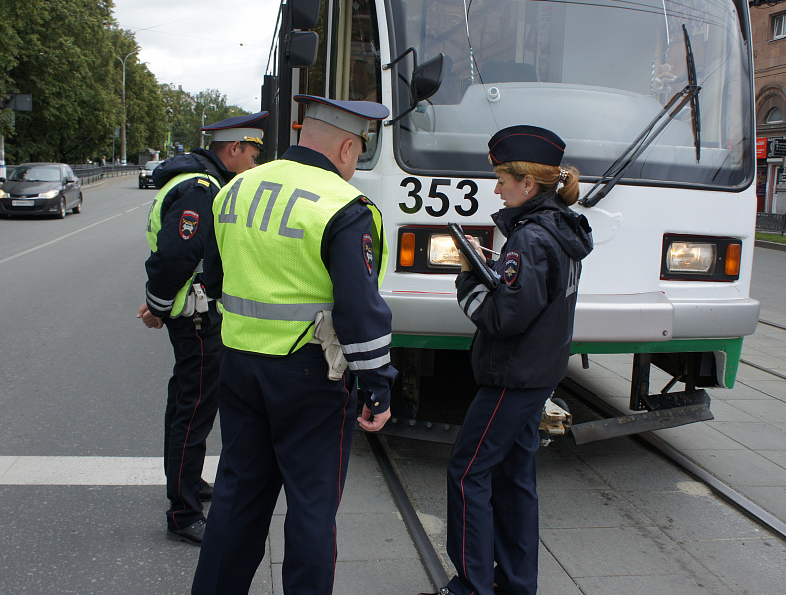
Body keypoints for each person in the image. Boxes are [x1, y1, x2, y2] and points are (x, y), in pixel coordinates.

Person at [191, 96, 397, 595]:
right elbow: (358, 309)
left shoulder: (235, 189)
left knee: (238, 493)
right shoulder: (343, 207)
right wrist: (378, 385)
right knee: (311, 507)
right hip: (310, 378)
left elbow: (215, 280)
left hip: (239, 367)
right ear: (348, 147)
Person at [423, 126, 593, 595]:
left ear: (528, 184)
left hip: (512, 376)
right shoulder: (561, 228)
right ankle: (516, 584)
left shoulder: (529, 239)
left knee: (467, 471)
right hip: (539, 372)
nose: (496, 188)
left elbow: (503, 319)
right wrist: (495, 269)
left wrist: (468, 278)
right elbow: (538, 299)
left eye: (502, 179)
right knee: (515, 479)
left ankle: (473, 586)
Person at [136, 111, 268, 545]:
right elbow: (177, 255)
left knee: (190, 406)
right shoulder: (202, 188)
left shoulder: (198, 181)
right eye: (251, 156)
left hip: (194, 312)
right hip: (196, 318)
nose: (252, 165)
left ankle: (189, 485)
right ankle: (183, 512)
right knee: (192, 412)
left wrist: (159, 300)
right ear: (233, 150)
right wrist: (158, 304)